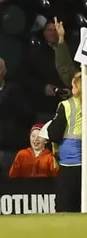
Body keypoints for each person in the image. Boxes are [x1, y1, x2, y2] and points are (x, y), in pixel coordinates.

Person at [47, 72, 83, 212]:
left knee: (66, 207)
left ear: (76, 87)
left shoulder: (67, 105)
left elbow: (54, 134)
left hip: (71, 163)